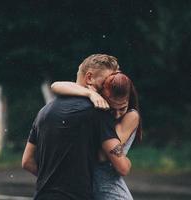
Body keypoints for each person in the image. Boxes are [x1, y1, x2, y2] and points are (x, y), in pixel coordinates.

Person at [22, 54, 132, 200]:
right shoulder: (98, 112)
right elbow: (122, 167)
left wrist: (55, 182)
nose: (110, 86)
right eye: (106, 81)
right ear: (89, 78)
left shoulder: (44, 111)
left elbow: (27, 161)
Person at [51, 72, 142, 200]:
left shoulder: (131, 116)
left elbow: (102, 155)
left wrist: (127, 162)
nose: (116, 115)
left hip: (111, 193)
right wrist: (90, 93)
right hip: (90, 191)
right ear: (103, 97)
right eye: (112, 108)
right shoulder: (97, 108)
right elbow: (56, 86)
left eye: (122, 108)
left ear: (129, 99)